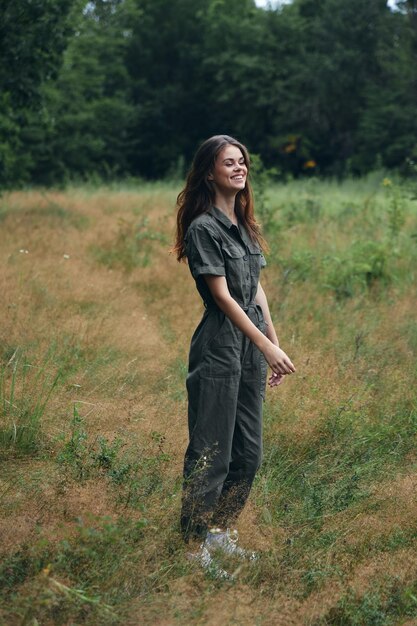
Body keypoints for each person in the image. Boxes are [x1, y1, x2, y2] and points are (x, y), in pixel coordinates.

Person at [174, 135, 295, 569]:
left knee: (248, 453)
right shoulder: (203, 227)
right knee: (212, 452)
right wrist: (261, 342)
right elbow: (224, 297)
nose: (239, 168)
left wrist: (271, 343)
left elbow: (255, 290)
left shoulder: (243, 225)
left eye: (242, 161)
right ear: (210, 172)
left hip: (249, 343)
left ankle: (220, 532)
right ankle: (192, 549)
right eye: (229, 163)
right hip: (220, 345)